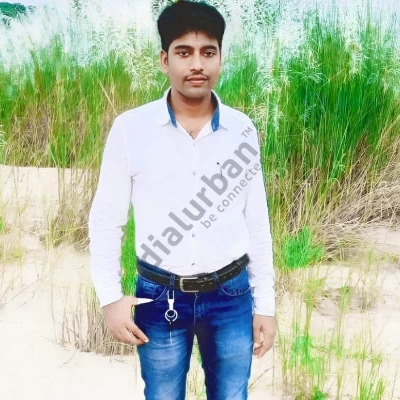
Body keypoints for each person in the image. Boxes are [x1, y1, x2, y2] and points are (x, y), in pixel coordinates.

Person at [88, 1, 276, 399]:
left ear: (220, 58)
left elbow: (257, 223)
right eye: (184, 52)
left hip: (230, 297)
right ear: (164, 59)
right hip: (158, 297)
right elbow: (106, 220)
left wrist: (266, 305)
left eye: (208, 52)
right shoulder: (131, 129)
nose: (197, 64)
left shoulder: (242, 129)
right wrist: (110, 299)